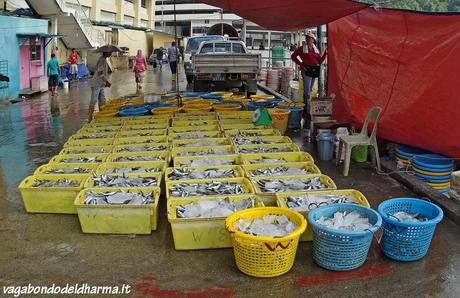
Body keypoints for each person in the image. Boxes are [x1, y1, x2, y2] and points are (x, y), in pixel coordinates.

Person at [291, 32, 327, 117]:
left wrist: (325, 54)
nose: (308, 39)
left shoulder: (316, 50)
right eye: (307, 38)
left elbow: (320, 61)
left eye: (310, 38)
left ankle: (306, 107)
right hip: (306, 70)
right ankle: (306, 109)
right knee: (307, 91)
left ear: (313, 40)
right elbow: (293, 56)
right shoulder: (301, 49)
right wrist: (301, 63)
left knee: (309, 90)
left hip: (314, 70)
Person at [88, 50, 112, 121]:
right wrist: (106, 82)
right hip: (97, 83)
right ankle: (90, 118)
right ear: (106, 52)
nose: (111, 53)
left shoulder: (103, 59)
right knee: (94, 100)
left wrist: (105, 82)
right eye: (110, 52)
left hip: (100, 84)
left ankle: (102, 115)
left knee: (102, 99)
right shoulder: (102, 60)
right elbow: (100, 73)